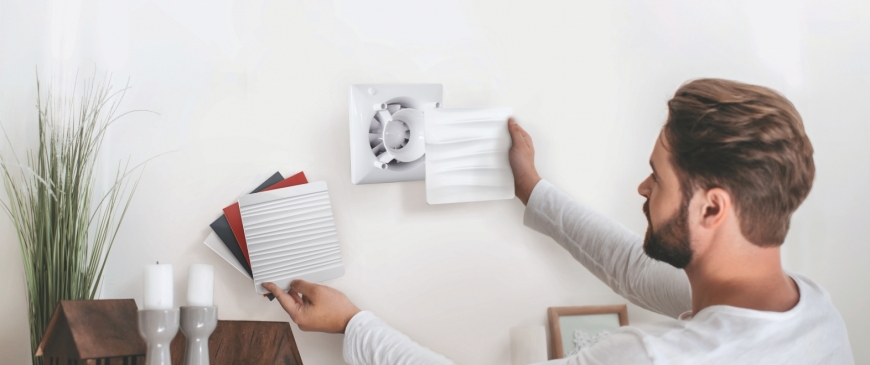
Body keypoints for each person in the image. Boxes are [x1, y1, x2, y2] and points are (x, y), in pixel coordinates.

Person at [263, 78, 854, 364]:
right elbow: (637, 270)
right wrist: (532, 189)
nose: (642, 187)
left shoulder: (658, 359)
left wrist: (353, 324)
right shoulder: (813, 316)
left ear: (712, 207)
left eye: (658, 176)